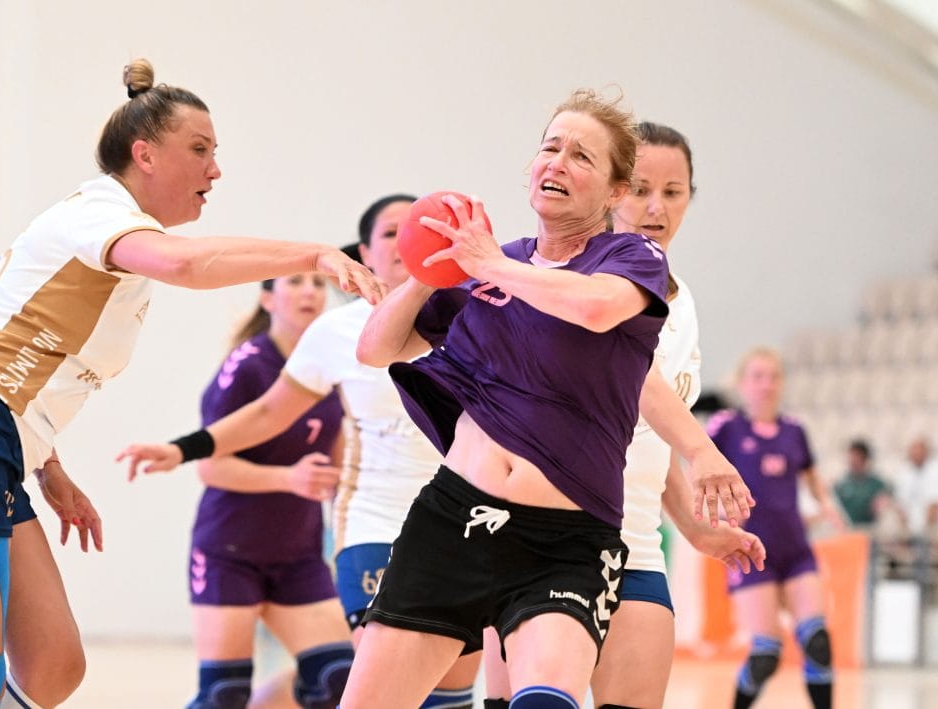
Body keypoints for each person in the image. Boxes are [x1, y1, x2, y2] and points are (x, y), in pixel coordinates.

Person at [0, 58, 379, 709]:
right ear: (145, 155)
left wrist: (48, 464)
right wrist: (314, 254)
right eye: (200, 150)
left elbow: (29, 358)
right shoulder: (99, 213)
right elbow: (184, 266)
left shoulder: (122, 239)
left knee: (54, 664)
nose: (215, 170)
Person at [345, 89, 753, 709]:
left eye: (581, 156)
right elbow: (376, 349)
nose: (558, 162)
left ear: (615, 192)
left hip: (563, 540)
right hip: (453, 519)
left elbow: (595, 309)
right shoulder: (493, 265)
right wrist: (430, 270)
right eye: (550, 148)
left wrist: (489, 265)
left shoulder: (629, 257)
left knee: (543, 700)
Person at [117, 194, 482, 709]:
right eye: (392, 232)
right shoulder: (327, 336)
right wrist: (183, 449)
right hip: (363, 527)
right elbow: (267, 414)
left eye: (421, 229)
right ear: (363, 253)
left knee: (430, 694)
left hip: (455, 525)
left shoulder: (475, 319)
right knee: (359, 689)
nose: (409, 242)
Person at [477, 122, 766, 709]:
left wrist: (695, 528)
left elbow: (650, 441)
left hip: (633, 543)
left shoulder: (682, 302)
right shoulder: (573, 285)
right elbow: (633, 379)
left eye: (673, 191)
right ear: (611, 191)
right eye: (640, 189)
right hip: (537, 541)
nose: (656, 207)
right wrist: (703, 450)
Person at [185, 274, 355, 709]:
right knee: (224, 695)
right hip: (229, 552)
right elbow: (210, 465)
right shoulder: (247, 365)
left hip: (298, 555)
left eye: (318, 283)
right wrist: (288, 479)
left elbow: (336, 463)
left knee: (337, 681)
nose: (310, 291)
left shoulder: (329, 366)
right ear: (267, 299)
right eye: (294, 282)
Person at [708, 348, 842, 709]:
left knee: (818, 643)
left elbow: (811, 475)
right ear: (741, 383)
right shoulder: (726, 426)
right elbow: (696, 467)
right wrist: (714, 513)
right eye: (758, 376)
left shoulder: (794, 430)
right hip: (750, 553)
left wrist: (826, 504)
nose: (766, 385)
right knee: (766, 655)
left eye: (773, 377)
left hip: (796, 550)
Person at [832, 439, 891, 527]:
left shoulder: (876, 484)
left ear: (864, 459)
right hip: (847, 529)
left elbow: (888, 494)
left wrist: (884, 502)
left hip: (870, 528)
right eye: (851, 456)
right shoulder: (841, 484)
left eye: (856, 457)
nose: (852, 460)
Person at [891, 436, 938, 538]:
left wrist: (926, 523)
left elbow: (934, 501)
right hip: (908, 518)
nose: (916, 453)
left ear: (926, 451)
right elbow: (899, 499)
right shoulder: (904, 470)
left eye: (918, 450)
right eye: (913, 450)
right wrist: (903, 515)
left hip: (930, 517)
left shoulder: (935, 469)